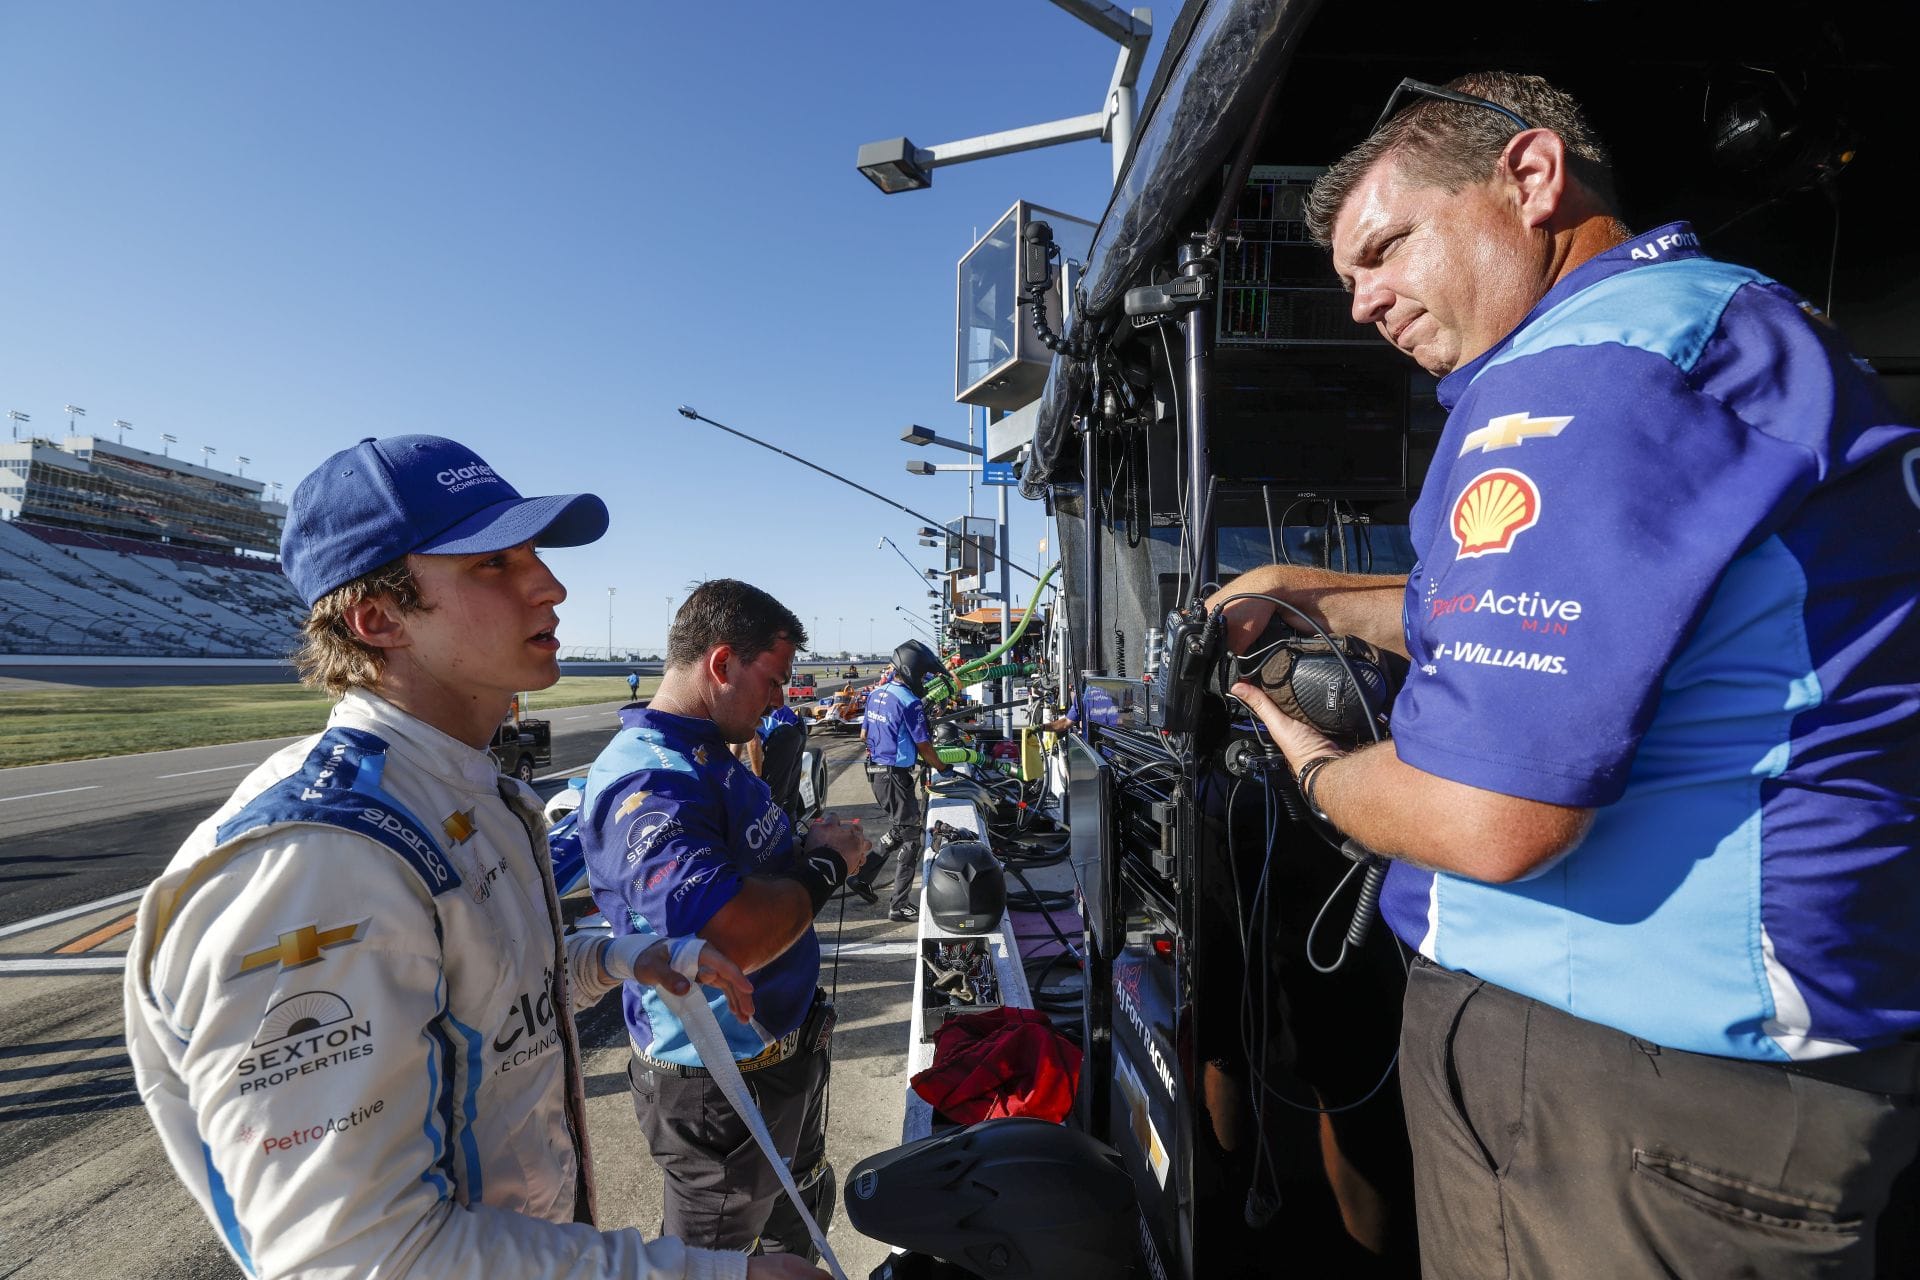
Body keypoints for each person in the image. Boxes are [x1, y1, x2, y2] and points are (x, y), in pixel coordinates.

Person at [1207, 72, 1920, 1277]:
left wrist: (1318, 771)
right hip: (1737, 1073)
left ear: (1532, 178)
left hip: (1628, 1081)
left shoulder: (1575, 373)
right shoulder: (1701, 330)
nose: (1365, 302)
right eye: (1349, 282)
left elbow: (1487, 816)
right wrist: (1319, 593)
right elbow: (1563, 619)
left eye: (1384, 248)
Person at [124, 435, 821, 1280]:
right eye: (493, 564)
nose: (551, 585)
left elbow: (472, 1005)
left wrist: (616, 958)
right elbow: (356, 1260)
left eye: (533, 554)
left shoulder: (469, 793)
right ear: (376, 620)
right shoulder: (319, 863)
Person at [578, 580, 871, 1262]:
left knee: (794, 1231)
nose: (781, 699)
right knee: (715, 1264)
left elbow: (749, 864)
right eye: (773, 680)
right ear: (720, 664)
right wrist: (827, 869)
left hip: (778, 1057)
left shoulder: (712, 750)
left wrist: (806, 847)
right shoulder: (651, 780)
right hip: (721, 1091)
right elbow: (729, 934)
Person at [845, 640, 952, 921]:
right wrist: (943, 767)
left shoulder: (876, 693)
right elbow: (925, 746)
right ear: (914, 672)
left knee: (898, 829)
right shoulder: (910, 702)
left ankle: (862, 878)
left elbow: (864, 737)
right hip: (895, 776)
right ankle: (899, 904)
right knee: (911, 839)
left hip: (876, 773)